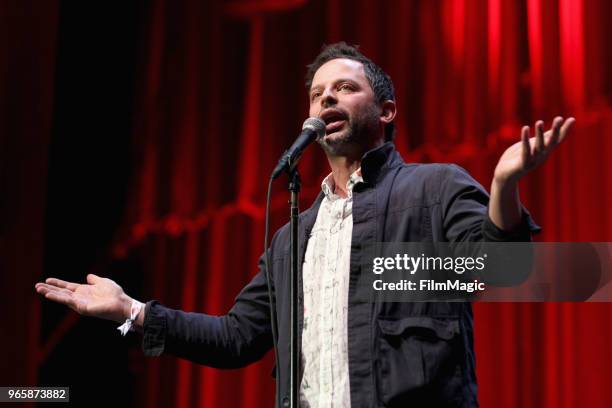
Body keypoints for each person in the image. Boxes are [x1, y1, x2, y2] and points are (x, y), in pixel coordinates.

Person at [35, 42, 574, 407]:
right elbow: (238, 337)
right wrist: (132, 310)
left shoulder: (432, 189)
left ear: (386, 111)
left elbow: (502, 269)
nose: (326, 99)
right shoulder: (294, 235)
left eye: (344, 88)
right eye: (318, 94)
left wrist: (504, 185)